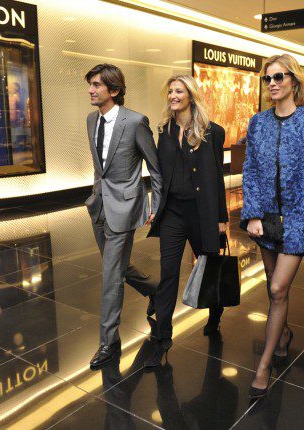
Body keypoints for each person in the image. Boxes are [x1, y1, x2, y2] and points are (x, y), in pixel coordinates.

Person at [240, 54, 304, 398]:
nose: (272, 83)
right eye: (267, 78)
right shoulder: (258, 122)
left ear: (294, 81)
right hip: (267, 218)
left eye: (279, 77)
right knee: (274, 286)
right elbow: (251, 170)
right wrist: (253, 214)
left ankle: (263, 367)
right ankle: (283, 334)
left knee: (277, 289)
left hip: (300, 218)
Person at [145, 75, 229, 367]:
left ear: (191, 96)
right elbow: (161, 174)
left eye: (179, 91)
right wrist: (155, 206)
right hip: (173, 212)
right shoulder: (164, 130)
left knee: (209, 268)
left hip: (202, 212)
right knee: (168, 273)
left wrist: (221, 218)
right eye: (170, 91)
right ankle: (163, 338)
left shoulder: (212, 132)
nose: (173, 95)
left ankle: (215, 314)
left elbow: (217, 176)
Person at [84, 63, 163, 369]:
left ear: (114, 90)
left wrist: (155, 205)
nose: (91, 90)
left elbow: (155, 168)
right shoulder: (91, 119)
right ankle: (155, 289)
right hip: (99, 205)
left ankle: (108, 341)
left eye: (97, 85)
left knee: (111, 276)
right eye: (90, 84)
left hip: (125, 207)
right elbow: (100, 168)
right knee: (116, 266)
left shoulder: (135, 122)